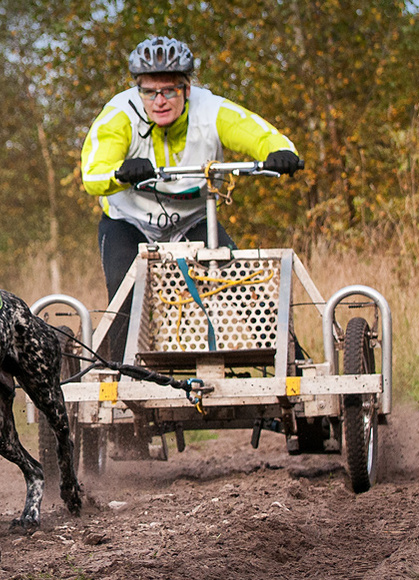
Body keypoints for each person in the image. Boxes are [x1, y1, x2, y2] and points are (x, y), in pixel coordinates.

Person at [81, 36, 301, 362]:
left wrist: (282, 153)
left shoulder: (211, 110)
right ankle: (121, 375)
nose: (159, 101)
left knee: (243, 285)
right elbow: (92, 175)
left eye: (169, 90)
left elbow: (260, 134)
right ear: (138, 90)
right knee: (124, 292)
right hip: (128, 223)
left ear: (187, 88)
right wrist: (120, 173)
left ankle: (290, 363)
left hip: (194, 221)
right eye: (150, 92)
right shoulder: (119, 115)